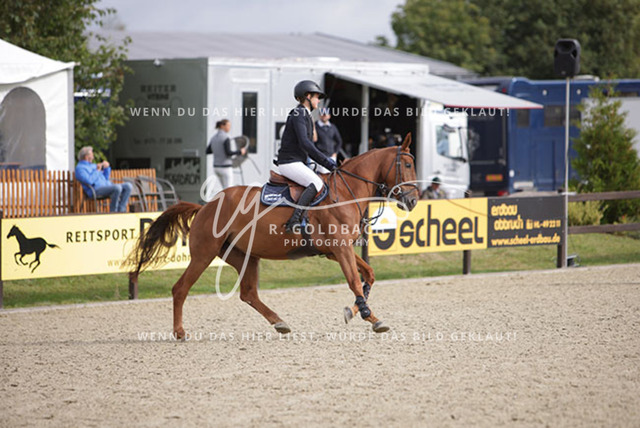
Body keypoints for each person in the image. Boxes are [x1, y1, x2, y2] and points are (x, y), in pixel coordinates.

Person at [277, 80, 337, 233]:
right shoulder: (299, 114)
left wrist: (326, 162)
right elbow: (305, 143)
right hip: (289, 162)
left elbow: (309, 145)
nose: (318, 101)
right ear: (308, 96)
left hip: (298, 161)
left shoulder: (306, 115)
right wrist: (326, 162)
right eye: (316, 97)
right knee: (316, 183)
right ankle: (294, 221)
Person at [75, 146, 132, 212]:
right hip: (95, 190)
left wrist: (106, 168)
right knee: (117, 188)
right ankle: (113, 211)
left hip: (107, 186)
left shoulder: (93, 165)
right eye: (91, 154)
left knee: (128, 186)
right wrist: (97, 171)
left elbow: (106, 178)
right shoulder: (80, 168)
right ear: (86, 157)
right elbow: (89, 181)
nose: (93, 156)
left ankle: (121, 210)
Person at [206, 119, 247, 189]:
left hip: (216, 167)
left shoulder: (213, 138)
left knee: (224, 189)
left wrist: (218, 150)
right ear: (222, 126)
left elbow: (208, 151)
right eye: (228, 126)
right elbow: (228, 153)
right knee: (229, 189)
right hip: (225, 167)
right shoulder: (226, 137)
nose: (229, 128)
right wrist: (240, 152)